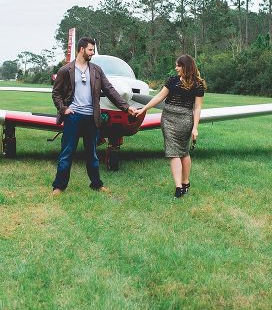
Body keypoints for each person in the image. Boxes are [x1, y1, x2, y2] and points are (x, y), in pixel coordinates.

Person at [51, 37, 138, 195]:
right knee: (67, 153)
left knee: (92, 154)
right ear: (81, 49)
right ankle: (59, 187)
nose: (92, 53)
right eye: (90, 50)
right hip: (73, 117)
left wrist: (126, 107)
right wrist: (63, 109)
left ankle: (96, 184)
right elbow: (56, 93)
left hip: (92, 118)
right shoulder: (65, 70)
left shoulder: (96, 70)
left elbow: (110, 90)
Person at [138, 54, 205, 198]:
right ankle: (178, 187)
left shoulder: (198, 85)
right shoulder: (172, 80)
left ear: (185, 67)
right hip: (168, 119)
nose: (176, 68)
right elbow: (159, 97)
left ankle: (185, 182)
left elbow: (197, 107)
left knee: (184, 152)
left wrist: (195, 127)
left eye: (178, 65)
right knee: (172, 152)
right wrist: (143, 109)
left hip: (185, 120)